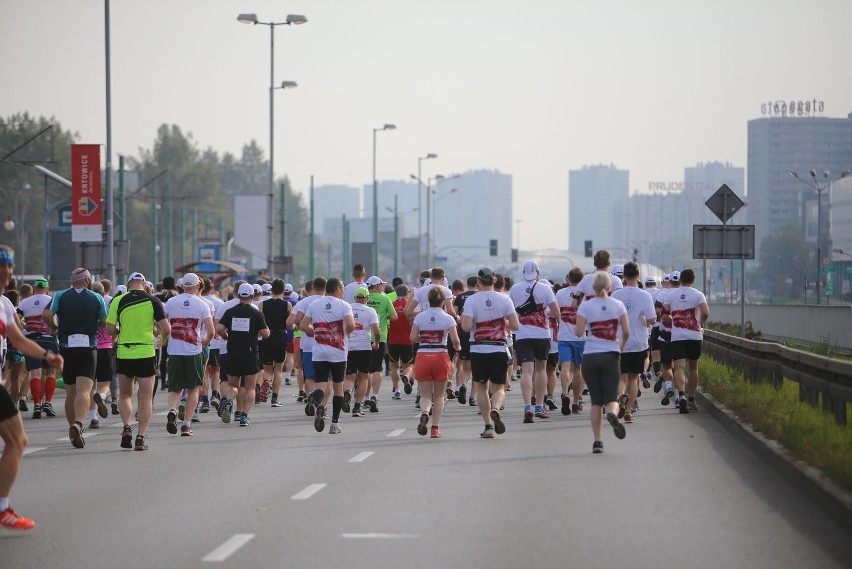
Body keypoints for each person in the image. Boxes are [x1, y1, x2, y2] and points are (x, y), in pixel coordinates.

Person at [0, 245, 64, 529]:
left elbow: (18, 339)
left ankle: (3, 508)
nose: (7, 271)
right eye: (2, 266)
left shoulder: (4, 304)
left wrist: (46, 355)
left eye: (9, 266)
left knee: (18, 441)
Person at [42, 267, 107, 449]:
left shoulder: (60, 295)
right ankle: (79, 424)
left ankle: (72, 427)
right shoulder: (97, 298)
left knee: (70, 391)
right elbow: (104, 320)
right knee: (84, 391)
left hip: (66, 347)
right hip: (88, 347)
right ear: (87, 279)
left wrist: (54, 328)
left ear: (72, 281)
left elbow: (46, 315)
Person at [106, 271, 170, 450]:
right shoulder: (153, 301)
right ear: (144, 284)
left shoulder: (118, 300)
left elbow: (110, 329)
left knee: (125, 395)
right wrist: (161, 339)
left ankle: (126, 427)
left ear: (128, 284)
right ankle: (140, 437)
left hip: (125, 352)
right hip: (145, 352)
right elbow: (166, 328)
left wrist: (122, 331)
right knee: (145, 397)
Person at [460, 267, 520, 438]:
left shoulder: (471, 301)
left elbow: (465, 327)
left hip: (478, 349)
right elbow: (515, 326)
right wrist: (502, 323)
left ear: (478, 281)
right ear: (494, 280)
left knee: (482, 387)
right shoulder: (505, 300)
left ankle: (488, 427)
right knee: (499, 387)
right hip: (499, 348)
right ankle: (495, 408)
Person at [575, 272, 630, 454]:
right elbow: (626, 331)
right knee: (612, 398)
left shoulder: (586, 306)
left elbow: (578, 332)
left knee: (596, 402)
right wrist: (619, 347)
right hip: (611, 355)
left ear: (593, 288)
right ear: (610, 288)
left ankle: (598, 441)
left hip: (591, 356)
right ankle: (612, 414)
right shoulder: (618, 305)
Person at [300, 278, 355, 434]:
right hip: (338, 351)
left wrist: (317, 331)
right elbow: (350, 325)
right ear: (337, 289)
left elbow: (303, 326)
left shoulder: (314, 304)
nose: (344, 291)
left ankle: (319, 405)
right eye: (343, 288)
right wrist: (345, 334)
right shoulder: (344, 305)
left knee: (320, 384)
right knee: (338, 387)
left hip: (319, 351)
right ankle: (334, 424)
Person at [162, 273, 215, 436]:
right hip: (193, 351)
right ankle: (186, 424)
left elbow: (162, 325)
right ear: (198, 286)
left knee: (174, 387)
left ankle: (172, 409)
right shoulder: (202, 304)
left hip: (174, 350)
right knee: (193, 388)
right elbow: (211, 331)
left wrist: (163, 339)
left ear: (183, 285)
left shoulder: (170, 302)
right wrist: (204, 342)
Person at [510, 260, 559, 423]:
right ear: (537, 273)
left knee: (526, 371)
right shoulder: (545, 288)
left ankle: (527, 407)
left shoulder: (515, 289)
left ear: (524, 272)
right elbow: (556, 313)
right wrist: (545, 312)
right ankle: (539, 406)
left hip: (522, 335)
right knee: (541, 370)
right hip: (542, 334)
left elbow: (511, 311)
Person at [411, 287, 461, 439]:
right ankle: (435, 428)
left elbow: (413, 337)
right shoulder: (448, 318)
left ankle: (425, 412)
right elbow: (455, 340)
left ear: (428, 300)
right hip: (441, 356)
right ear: (443, 302)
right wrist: (458, 348)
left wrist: (424, 340)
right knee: (439, 396)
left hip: (423, 355)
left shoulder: (420, 317)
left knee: (426, 395)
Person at [217, 283, 270, 426]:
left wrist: (227, 336)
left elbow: (219, 328)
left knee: (233, 385)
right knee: (249, 387)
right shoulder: (256, 313)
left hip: (233, 352)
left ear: (238, 295)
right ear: (252, 296)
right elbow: (265, 334)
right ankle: (244, 416)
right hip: (250, 353)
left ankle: (229, 401)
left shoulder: (230, 311)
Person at [611, 262, 656, 423]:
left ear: (623, 276)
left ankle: (620, 397)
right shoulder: (645, 296)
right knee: (633, 377)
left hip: (620, 342)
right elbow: (651, 319)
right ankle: (629, 411)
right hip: (639, 342)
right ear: (638, 275)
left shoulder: (616, 295)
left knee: (621, 377)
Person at [665, 268, 709, 414]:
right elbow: (706, 312)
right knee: (693, 368)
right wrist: (700, 323)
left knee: (679, 368)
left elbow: (664, 313)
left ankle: (681, 395)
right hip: (694, 336)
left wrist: (672, 320)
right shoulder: (698, 295)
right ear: (693, 280)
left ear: (681, 279)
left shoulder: (671, 294)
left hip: (678, 337)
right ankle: (691, 400)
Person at [18, 277, 59, 418]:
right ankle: (47, 402)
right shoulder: (52, 300)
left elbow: (17, 319)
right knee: (50, 373)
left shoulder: (24, 302)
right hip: (49, 339)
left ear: (34, 289)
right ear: (47, 289)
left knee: (35, 374)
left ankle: (36, 405)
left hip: (32, 340)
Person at [345, 287, 380, 417]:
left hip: (349, 347)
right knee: (363, 377)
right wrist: (376, 343)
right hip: (364, 347)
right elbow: (376, 331)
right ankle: (357, 407)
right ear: (367, 298)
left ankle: (348, 391)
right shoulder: (370, 311)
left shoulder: (347, 308)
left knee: (349, 376)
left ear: (355, 297)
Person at [555, 267, 586, 415]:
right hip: (580, 337)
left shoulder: (560, 293)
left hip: (564, 336)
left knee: (565, 367)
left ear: (568, 279)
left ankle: (565, 393)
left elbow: (554, 313)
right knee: (578, 369)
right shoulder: (584, 295)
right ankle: (576, 400)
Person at [364, 276, 397, 409]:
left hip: (363, 338)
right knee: (377, 368)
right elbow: (394, 317)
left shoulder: (363, 298)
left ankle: (365, 397)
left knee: (365, 370)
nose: (382, 287)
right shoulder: (385, 298)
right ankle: (374, 396)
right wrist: (384, 316)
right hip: (380, 337)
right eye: (381, 285)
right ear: (377, 286)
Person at [259, 279, 292, 408]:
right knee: (278, 370)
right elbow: (290, 321)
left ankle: (267, 381)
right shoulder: (287, 305)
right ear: (283, 291)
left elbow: (258, 319)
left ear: (271, 290)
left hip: (267, 336)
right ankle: (275, 398)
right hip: (280, 336)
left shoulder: (262, 304)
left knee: (267, 368)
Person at [386, 284, 414, 400]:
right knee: (408, 366)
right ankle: (406, 377)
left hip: (393, 340)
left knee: (394, 367)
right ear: (407, 293)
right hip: (407, 341)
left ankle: (397, 391)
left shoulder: (392, 305)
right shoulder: (409, 307)